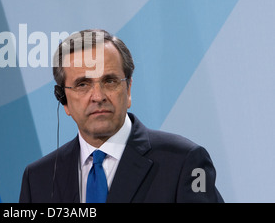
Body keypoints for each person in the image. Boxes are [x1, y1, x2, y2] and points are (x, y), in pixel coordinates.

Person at [19, 29, 224, 203]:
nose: (98, 96)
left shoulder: (184, 161)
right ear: (64, 100)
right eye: (83, 84)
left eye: (109, 81)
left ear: (128, 90)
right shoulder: (38, 178)